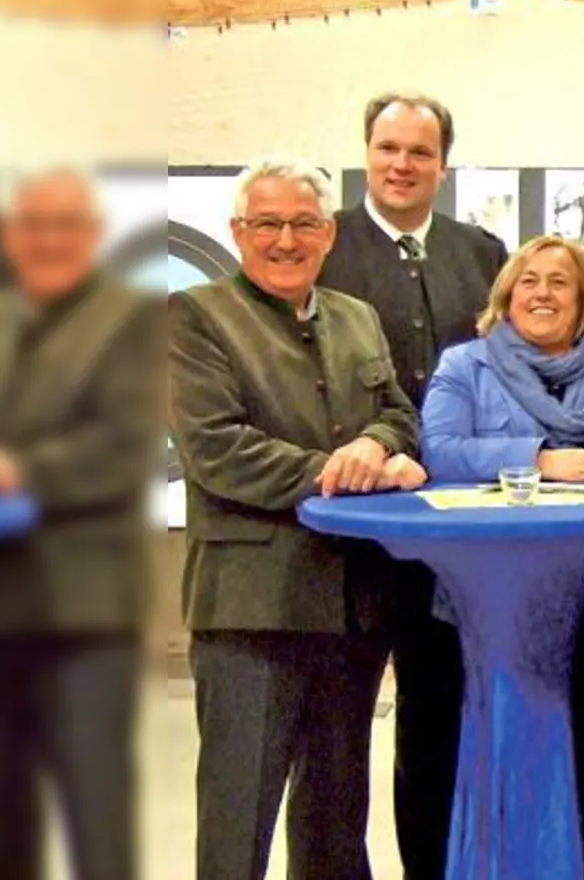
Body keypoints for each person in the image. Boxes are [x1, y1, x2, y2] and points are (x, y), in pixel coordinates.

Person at [169, 158, 428, 880]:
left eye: (304, 223)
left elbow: (398, 415)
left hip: (352, 609)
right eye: (268, 223)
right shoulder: (194, 316)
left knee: (335, 824)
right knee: (238, 823)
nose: (286, 240)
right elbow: (217, 449)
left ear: (328, 235)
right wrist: (340, 471)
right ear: (237, 232)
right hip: (251, 612)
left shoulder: (357, 318)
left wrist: (377, 443)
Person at [420, 234, 584, 875]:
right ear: (506, 295)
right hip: (492, 599)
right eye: (529, 280)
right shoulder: (465, 366)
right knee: (496, 755)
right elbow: (439, 452)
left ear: (583, 300)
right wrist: (538, 460)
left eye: (559, 282)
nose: (543, 293)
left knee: (583, 757)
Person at [316, 90, 508, 880]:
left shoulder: (482, 253)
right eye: (388, 148)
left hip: (455, 537)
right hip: (350, 532)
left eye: (419, 152)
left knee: (438, 724)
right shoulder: (323, 245)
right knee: (336, 739)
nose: (402, 164)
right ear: (366, 153)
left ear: (443, 165)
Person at [0, 167, 161, 880]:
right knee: (2, 825)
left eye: (66, 226)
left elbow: (123, 448)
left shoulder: (133, 320)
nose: (49, 241)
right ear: (11, 237)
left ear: (93, 236)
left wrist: (18, 469)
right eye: (34, 226)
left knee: (97, 825)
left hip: (85, 616)